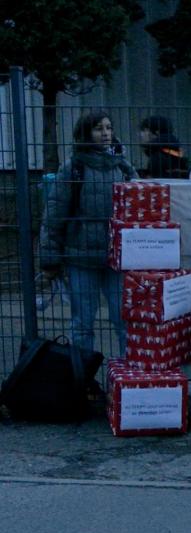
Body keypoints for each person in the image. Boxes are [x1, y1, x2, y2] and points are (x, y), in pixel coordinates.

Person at [39, 111, 137, 352]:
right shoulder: (73, 169)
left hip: (117, 259)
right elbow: (54, 214)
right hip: (80, 259)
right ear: (86, 133)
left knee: (124, 321)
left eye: (108, 127)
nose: (105, 133)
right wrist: (50, 260)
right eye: (98, 128)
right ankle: (84, 381)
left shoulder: (124, 167)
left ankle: (130, 380)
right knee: (82, 323)